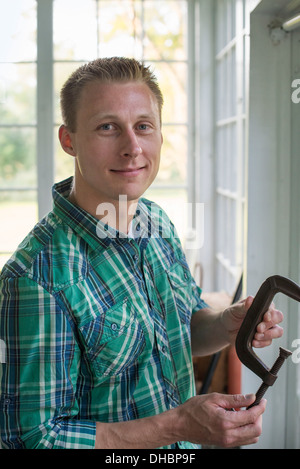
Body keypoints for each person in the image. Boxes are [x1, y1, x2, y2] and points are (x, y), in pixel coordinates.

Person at [0, 57, 283, 449]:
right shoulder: (36, 276)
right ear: (69, 140)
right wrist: (178, 426)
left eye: (143, 127)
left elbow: (182, 330)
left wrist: (227, 325)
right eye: (108, 127)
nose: (132, 148)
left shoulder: (156, 221)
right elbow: (32, 438)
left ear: (160, 136)